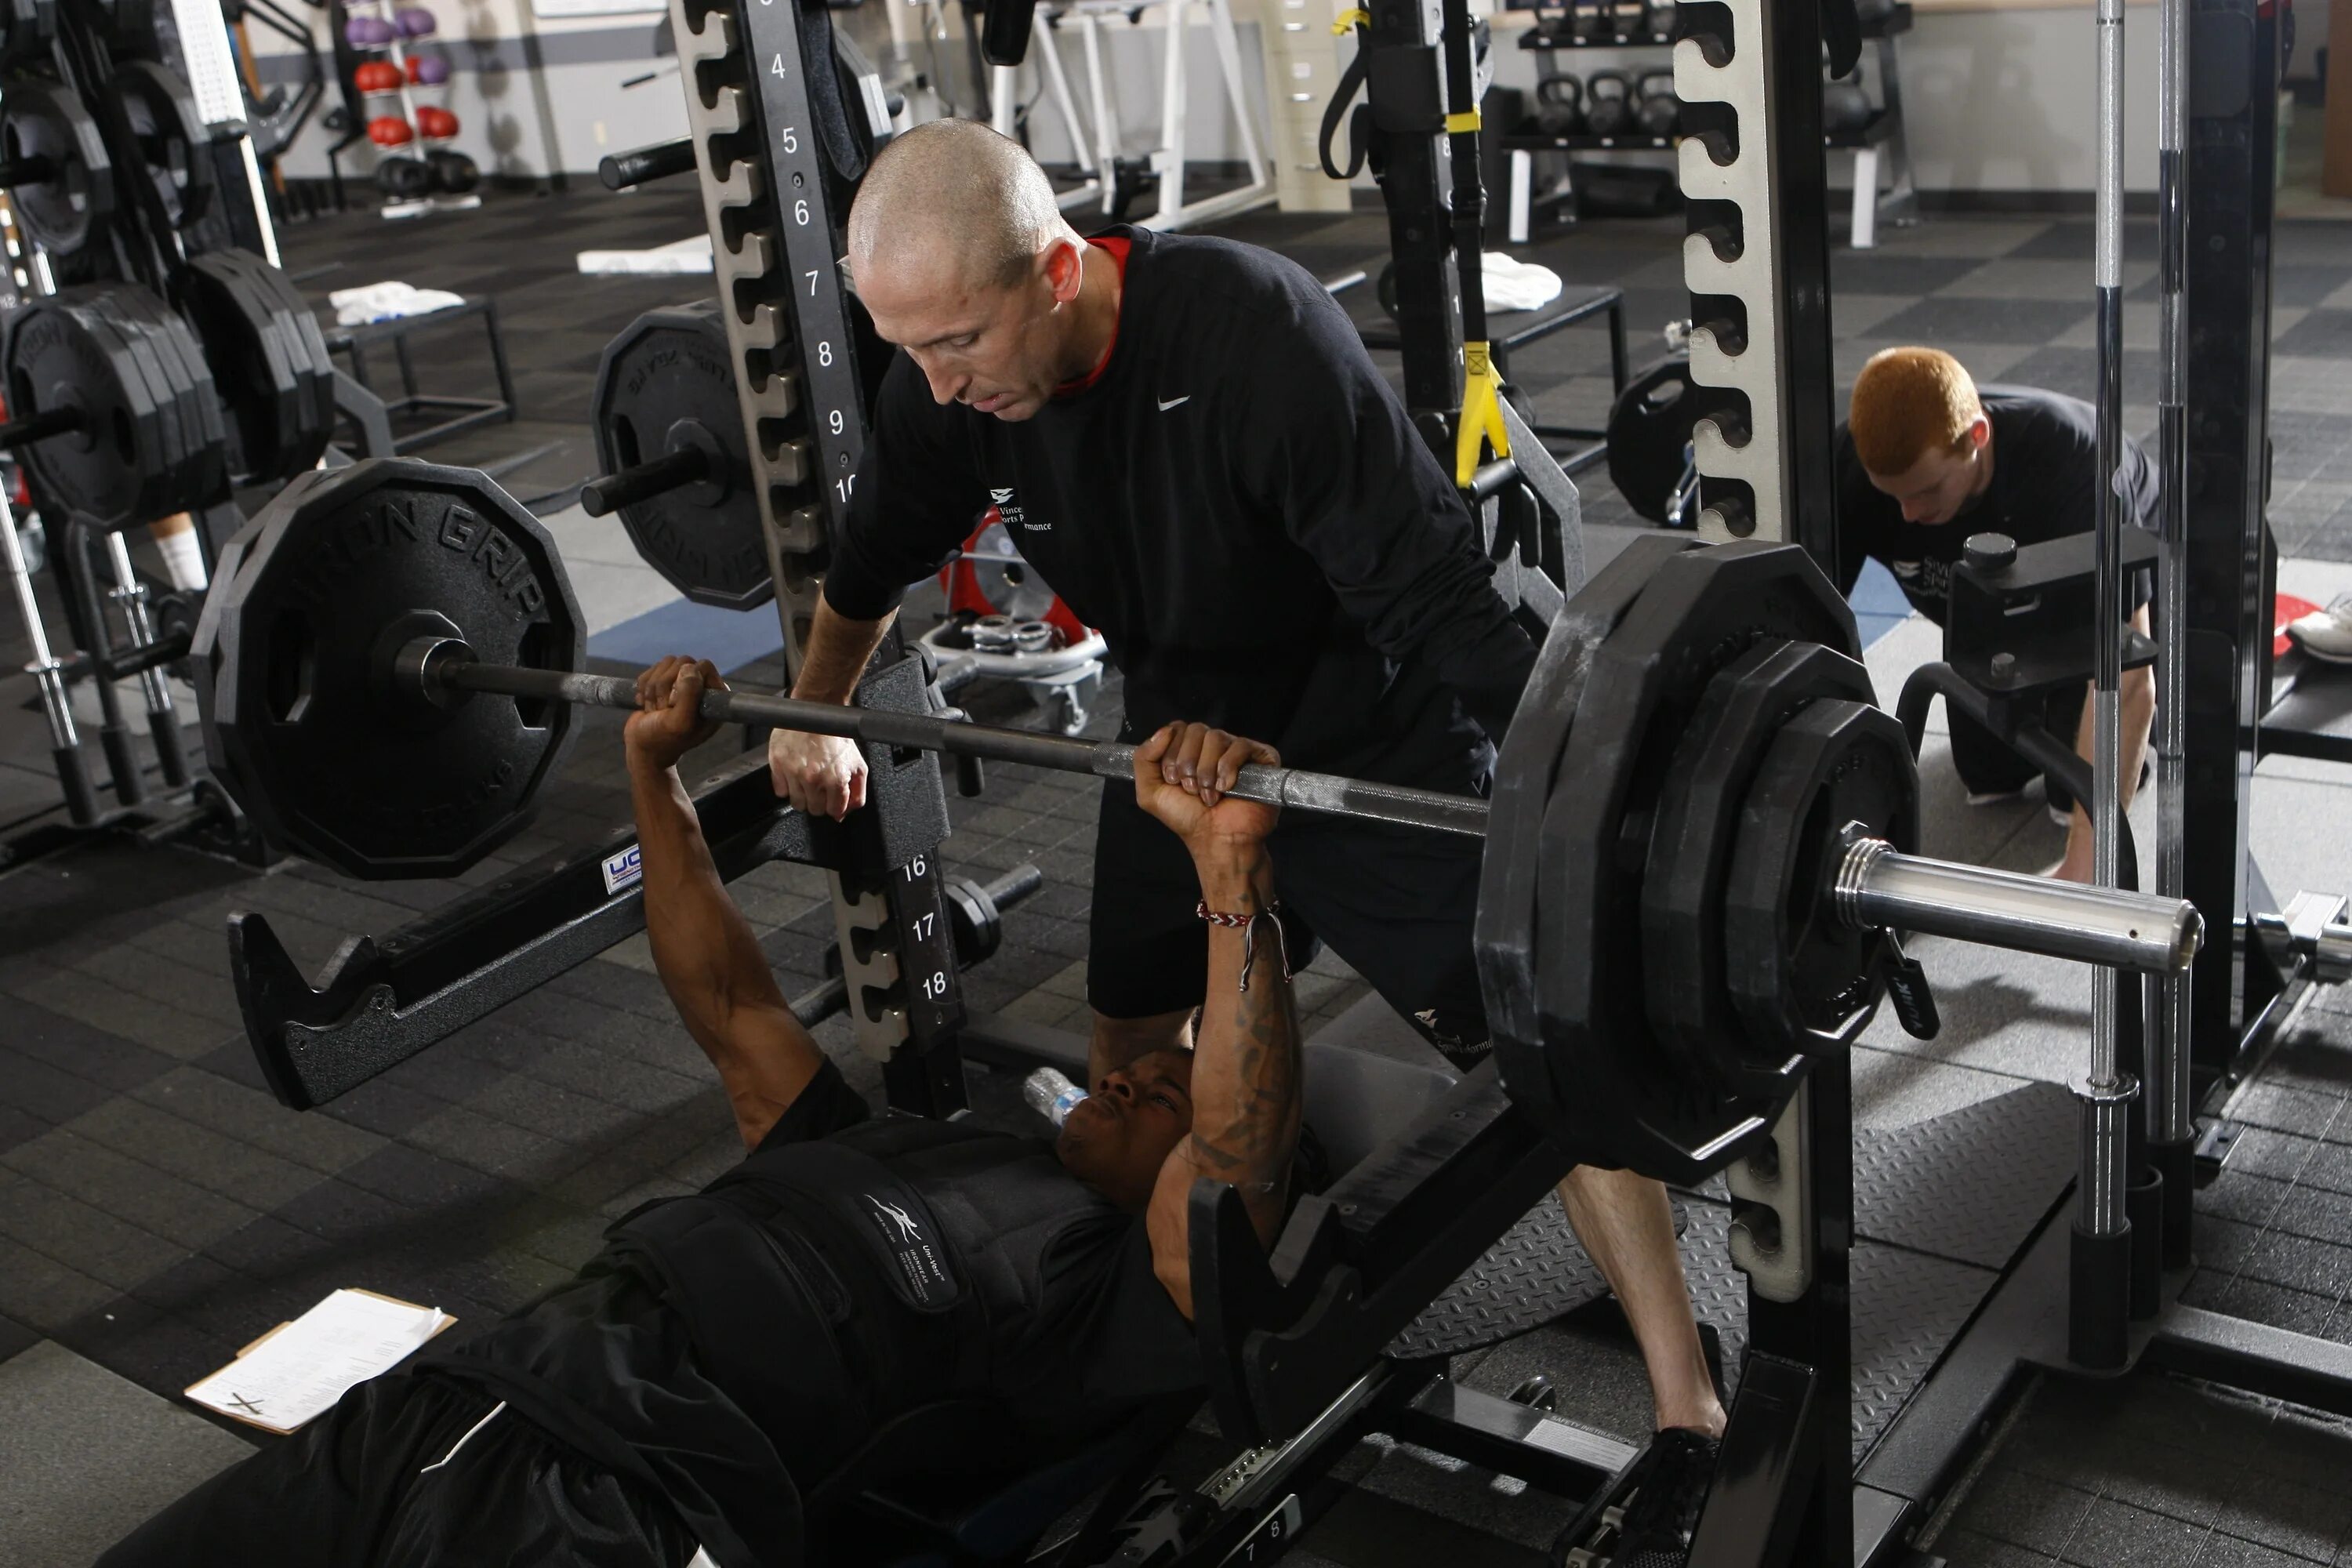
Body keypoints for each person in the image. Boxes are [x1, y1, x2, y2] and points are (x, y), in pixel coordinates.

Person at [764, 117, 1727, 1496]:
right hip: (1178, 745)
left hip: (1368, 729)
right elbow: (869, 562)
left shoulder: (1246, 337)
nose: (931, 384)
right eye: (906, 349)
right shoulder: (951, 387)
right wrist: (814, 713)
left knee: (1536, 1052)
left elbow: (1439, 599)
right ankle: (1164, 1298)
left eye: (956, 342)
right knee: (1129, 1042)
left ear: (1053, 272)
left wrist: (1598, 802)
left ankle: (1685, 1408)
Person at [97, 657, 1302, 1568]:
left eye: (1169, 1095)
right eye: (1144, 1067)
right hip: (467, 1393)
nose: (1135, 1076)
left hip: (626, 1499)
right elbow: (730, 1003)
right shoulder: (912, 1145)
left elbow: (1239, 1157)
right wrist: (651, 767)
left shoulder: (1111, 1298)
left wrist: (1230, 873)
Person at [1834, 347, 2158, 884]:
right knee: (1989, 777)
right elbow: (1811, 631)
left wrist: (2087, 863)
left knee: (2069, 792)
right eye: (1892, 496)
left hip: (2107, 595)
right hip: (1992, 616)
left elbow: (2129, 680)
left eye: (1928, 491)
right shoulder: (1853, 468)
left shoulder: (2080, 469)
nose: (1909, 515)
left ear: (1977, 437)